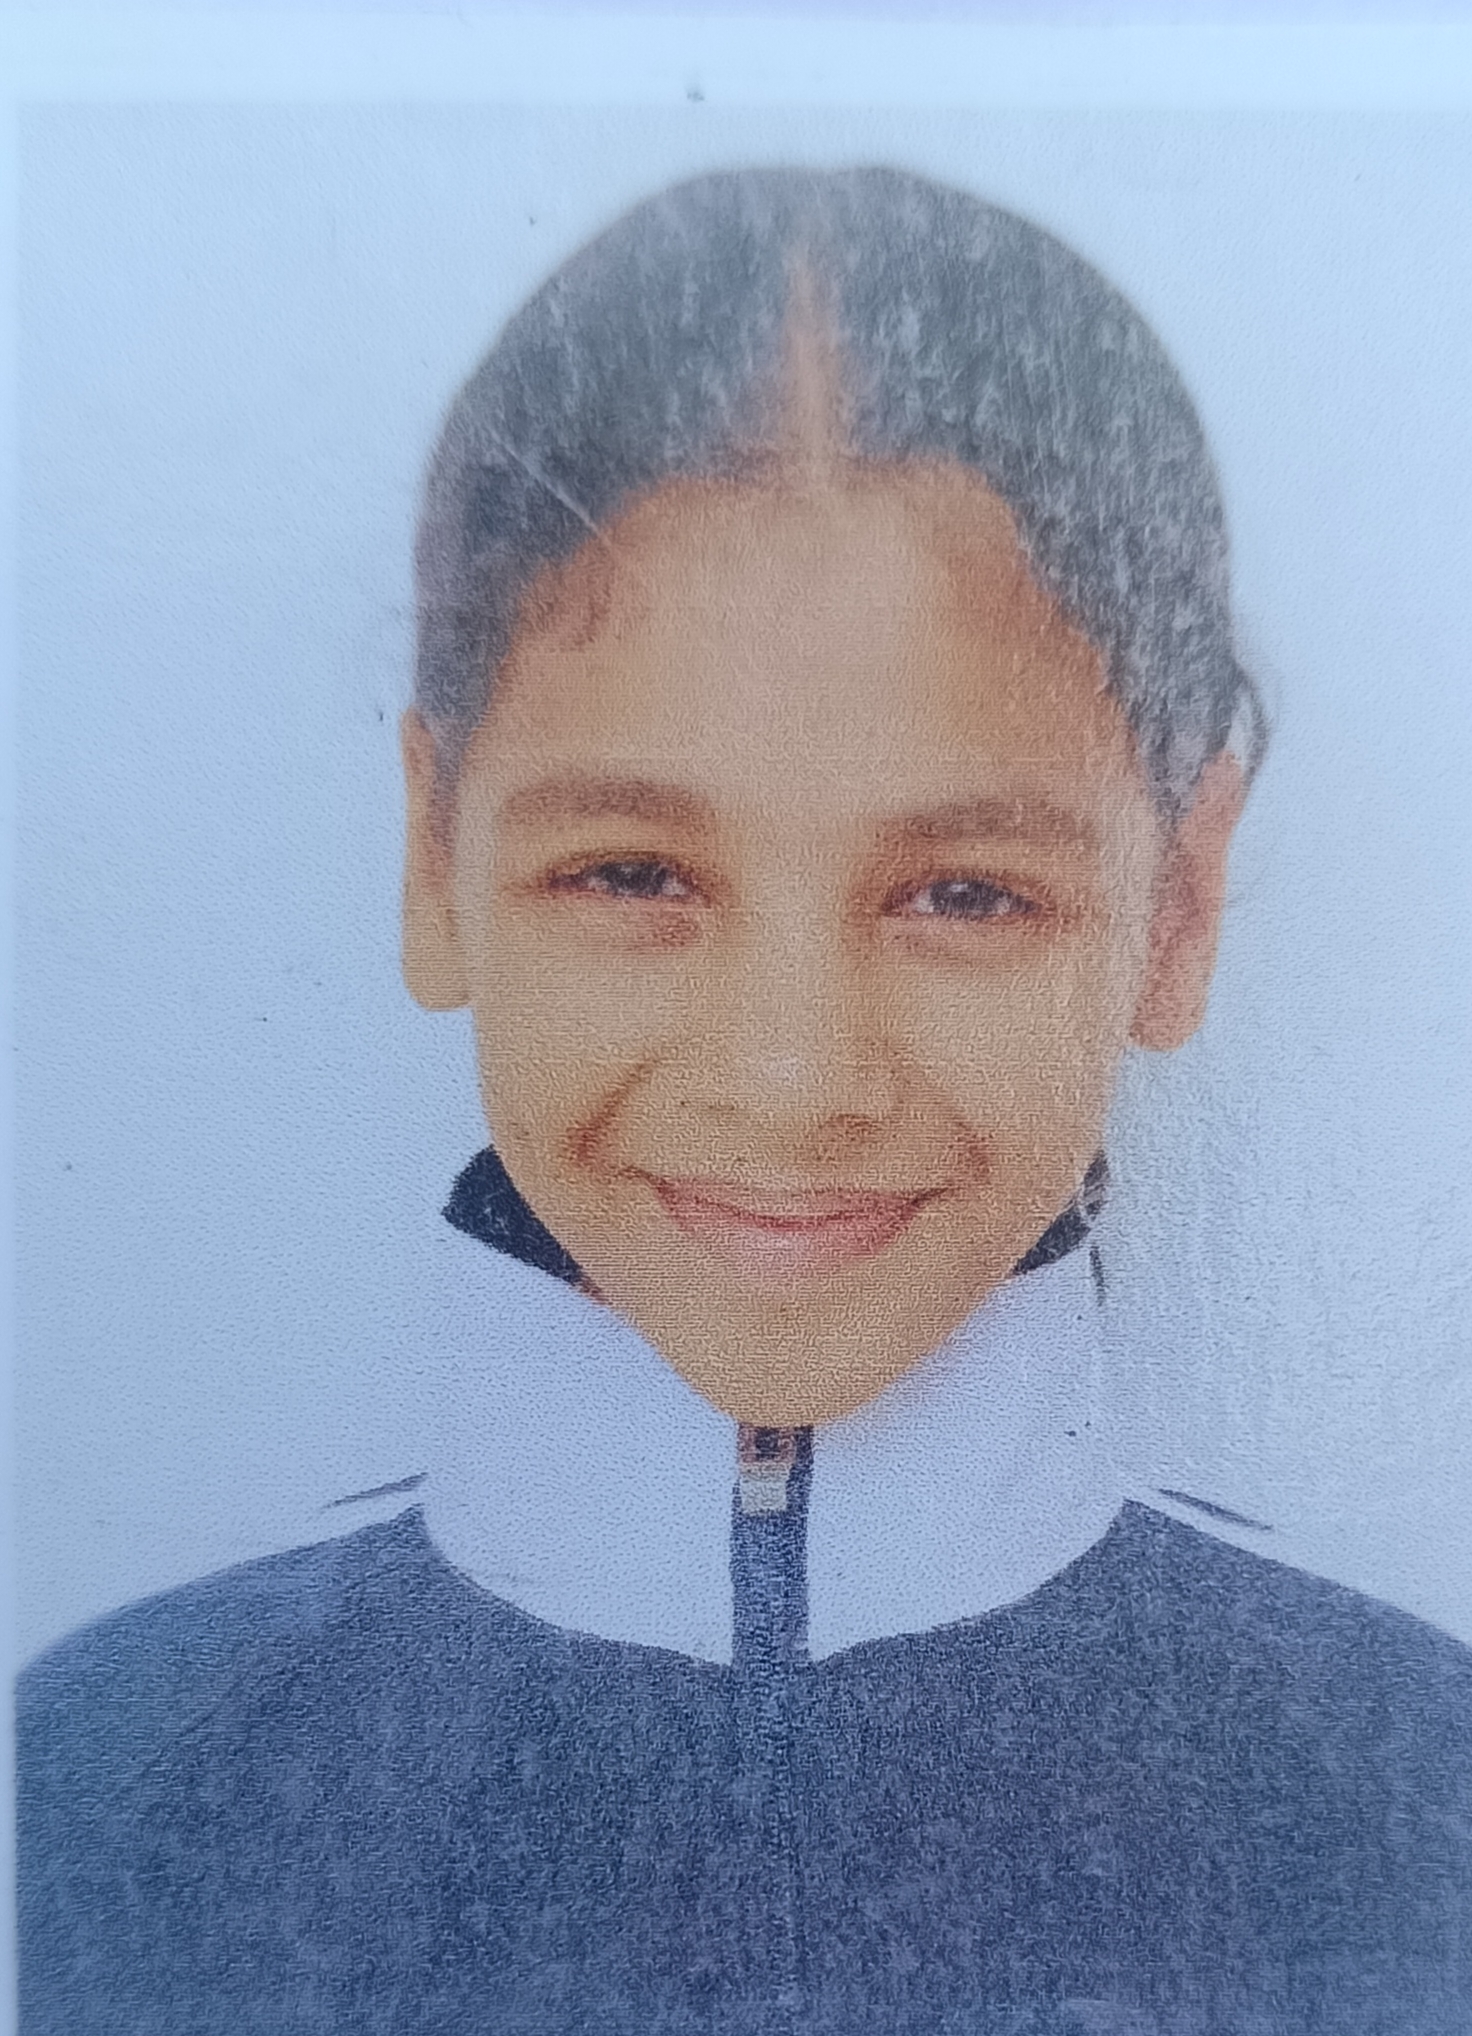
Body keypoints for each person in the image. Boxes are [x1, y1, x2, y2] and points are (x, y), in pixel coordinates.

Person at [17, 165, 1471, 2036]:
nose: (793, 1083)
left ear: (1177, 906)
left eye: (965, 894)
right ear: (433, 857)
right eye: (634, 874)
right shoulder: (94, 1785)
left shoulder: (1418, 1802)